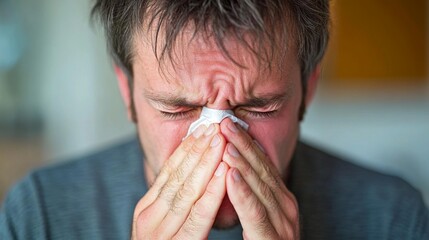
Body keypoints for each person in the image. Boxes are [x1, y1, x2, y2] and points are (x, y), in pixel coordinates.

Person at [1, 0, 428, 239]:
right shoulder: (38, 217)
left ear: (308, 88)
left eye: (259, 107)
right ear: (127, 91)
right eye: (177, 108)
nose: (220, 144)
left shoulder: (393, 220)